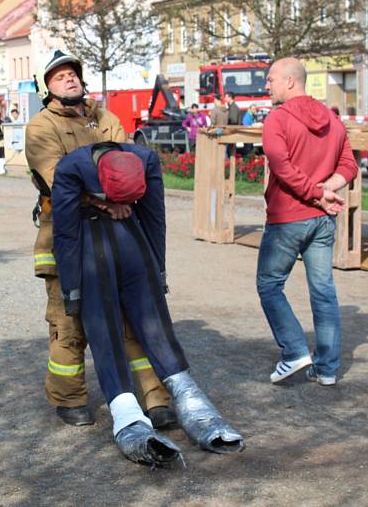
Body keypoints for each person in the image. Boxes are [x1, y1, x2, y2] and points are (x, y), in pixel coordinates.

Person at [52, 141, 245, 465]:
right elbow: (67, 231)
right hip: (104, 245)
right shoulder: (72, 167)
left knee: (149, 326)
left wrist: (158, 272)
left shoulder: (145, 161)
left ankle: (182, 403)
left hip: (119, 244)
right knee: (105, 331)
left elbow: (154, 217)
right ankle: (129, 414)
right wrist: (72, 287)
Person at [25, 49, 173, 428]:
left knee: (132, 318)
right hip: (67, 236)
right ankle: (69, 398)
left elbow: (129, 165)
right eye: (59, 77)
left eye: (72, 73)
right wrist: (109, 200)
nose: (69, 79)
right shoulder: (41, 127)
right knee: (69, 321)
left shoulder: (105, 119)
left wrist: (120, 197)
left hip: (117, 231)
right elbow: (59, 178)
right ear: (48, 89)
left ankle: (155, 399)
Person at [258, 57, 359, 387]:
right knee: (324, 292)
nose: (266, 85)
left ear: (290, 81)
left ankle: (294, 352)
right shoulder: (332, 119)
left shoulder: (277, 120)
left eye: (271, 79)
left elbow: (282, 168)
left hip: (288, 218)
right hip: (322, 220)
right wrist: (327, 190)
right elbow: (349, 166)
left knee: (269, 284)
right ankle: (327, 369)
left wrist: (318, 192)